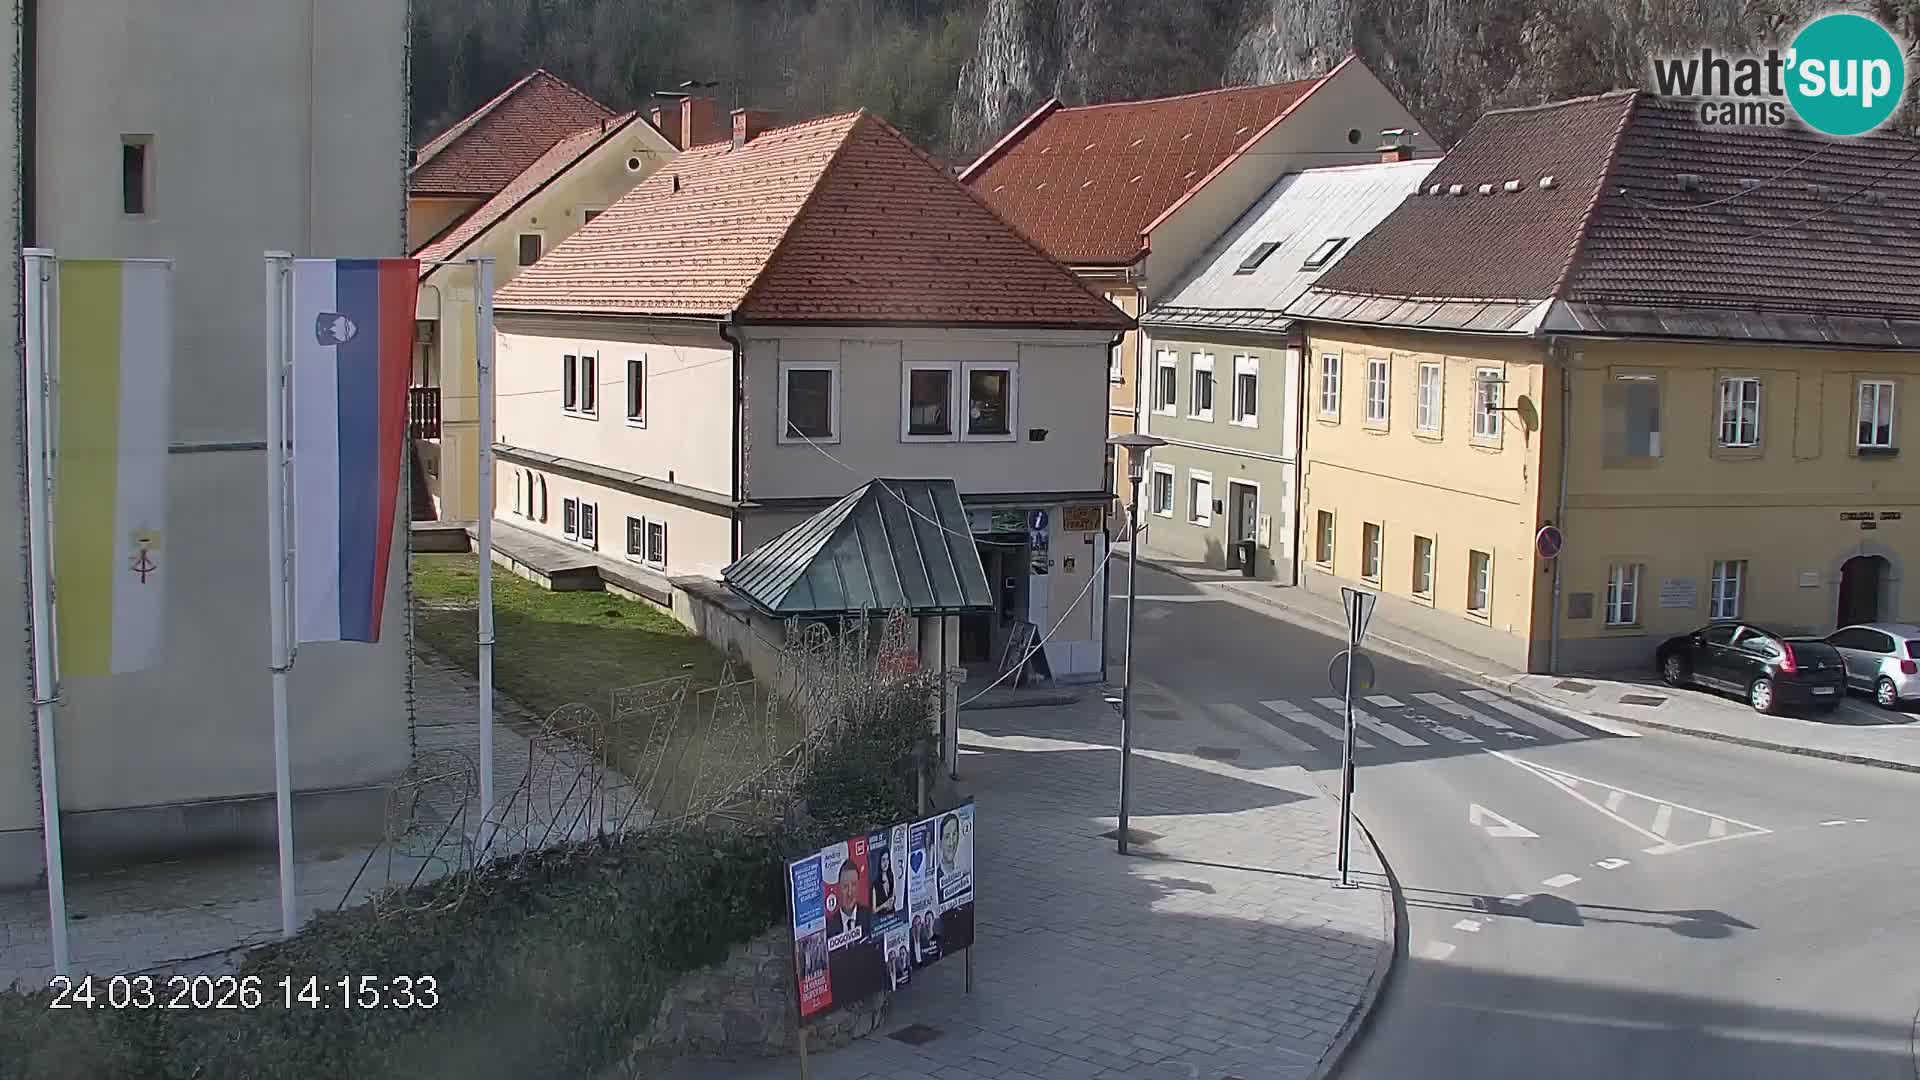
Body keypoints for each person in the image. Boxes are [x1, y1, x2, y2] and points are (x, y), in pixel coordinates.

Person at [825, 860, 871, 941]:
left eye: (853, 885)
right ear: (838, 889)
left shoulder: (869, 917)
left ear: (858, 886)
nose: (850, 893)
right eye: (845, 886)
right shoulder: (830, 926)